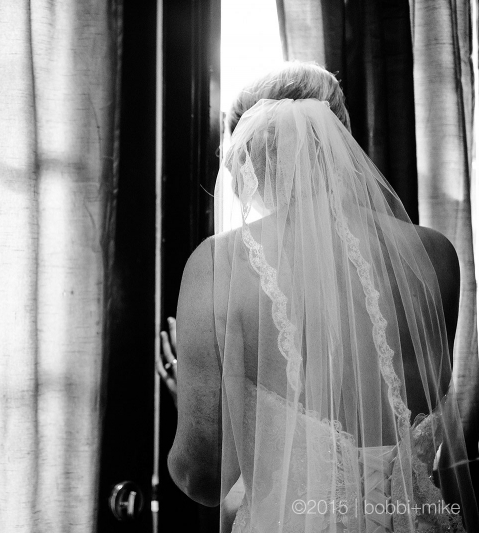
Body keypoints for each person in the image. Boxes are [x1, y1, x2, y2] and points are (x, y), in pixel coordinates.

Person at [159, 62, 479, 532]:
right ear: (340, 138)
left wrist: (192, 397)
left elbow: (203, 479)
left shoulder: (219, 264)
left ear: (247, 153)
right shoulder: (436, 255)